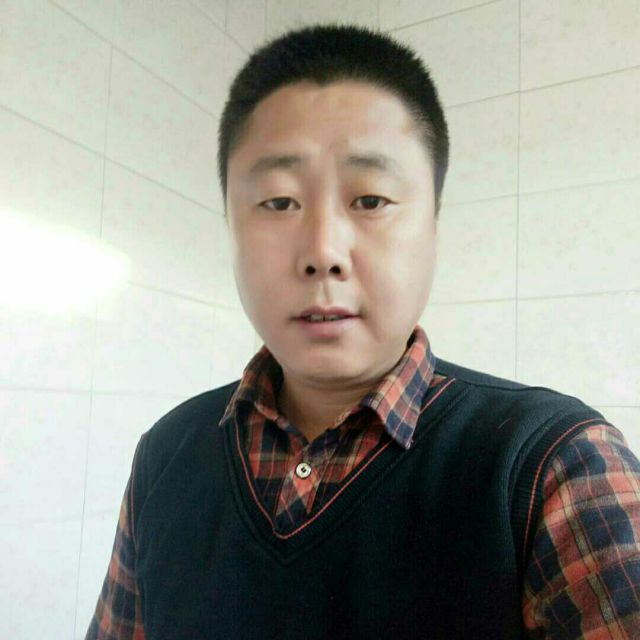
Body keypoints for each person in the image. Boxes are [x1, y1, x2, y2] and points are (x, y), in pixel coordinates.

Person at [86, 24, 640, 639]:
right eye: (279, 202)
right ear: (230, 226)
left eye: (371, 200)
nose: (323, 252)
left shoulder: (554, 466)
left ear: (433, 228)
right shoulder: (164, 456)